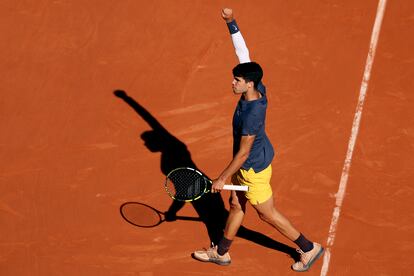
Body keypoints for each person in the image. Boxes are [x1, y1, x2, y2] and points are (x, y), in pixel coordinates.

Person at [192, 8, 324, 272]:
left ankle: (309, 248)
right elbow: (243, 53)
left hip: (253, 169)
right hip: (249, 164)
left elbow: (242, 153)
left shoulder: (252, 115)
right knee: (236, 204)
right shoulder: (256, 88)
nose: (233, 82)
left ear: (249, 84)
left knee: (266, 213)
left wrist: (220, 178)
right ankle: (221, 252)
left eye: (237, 80)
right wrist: (231, 22)